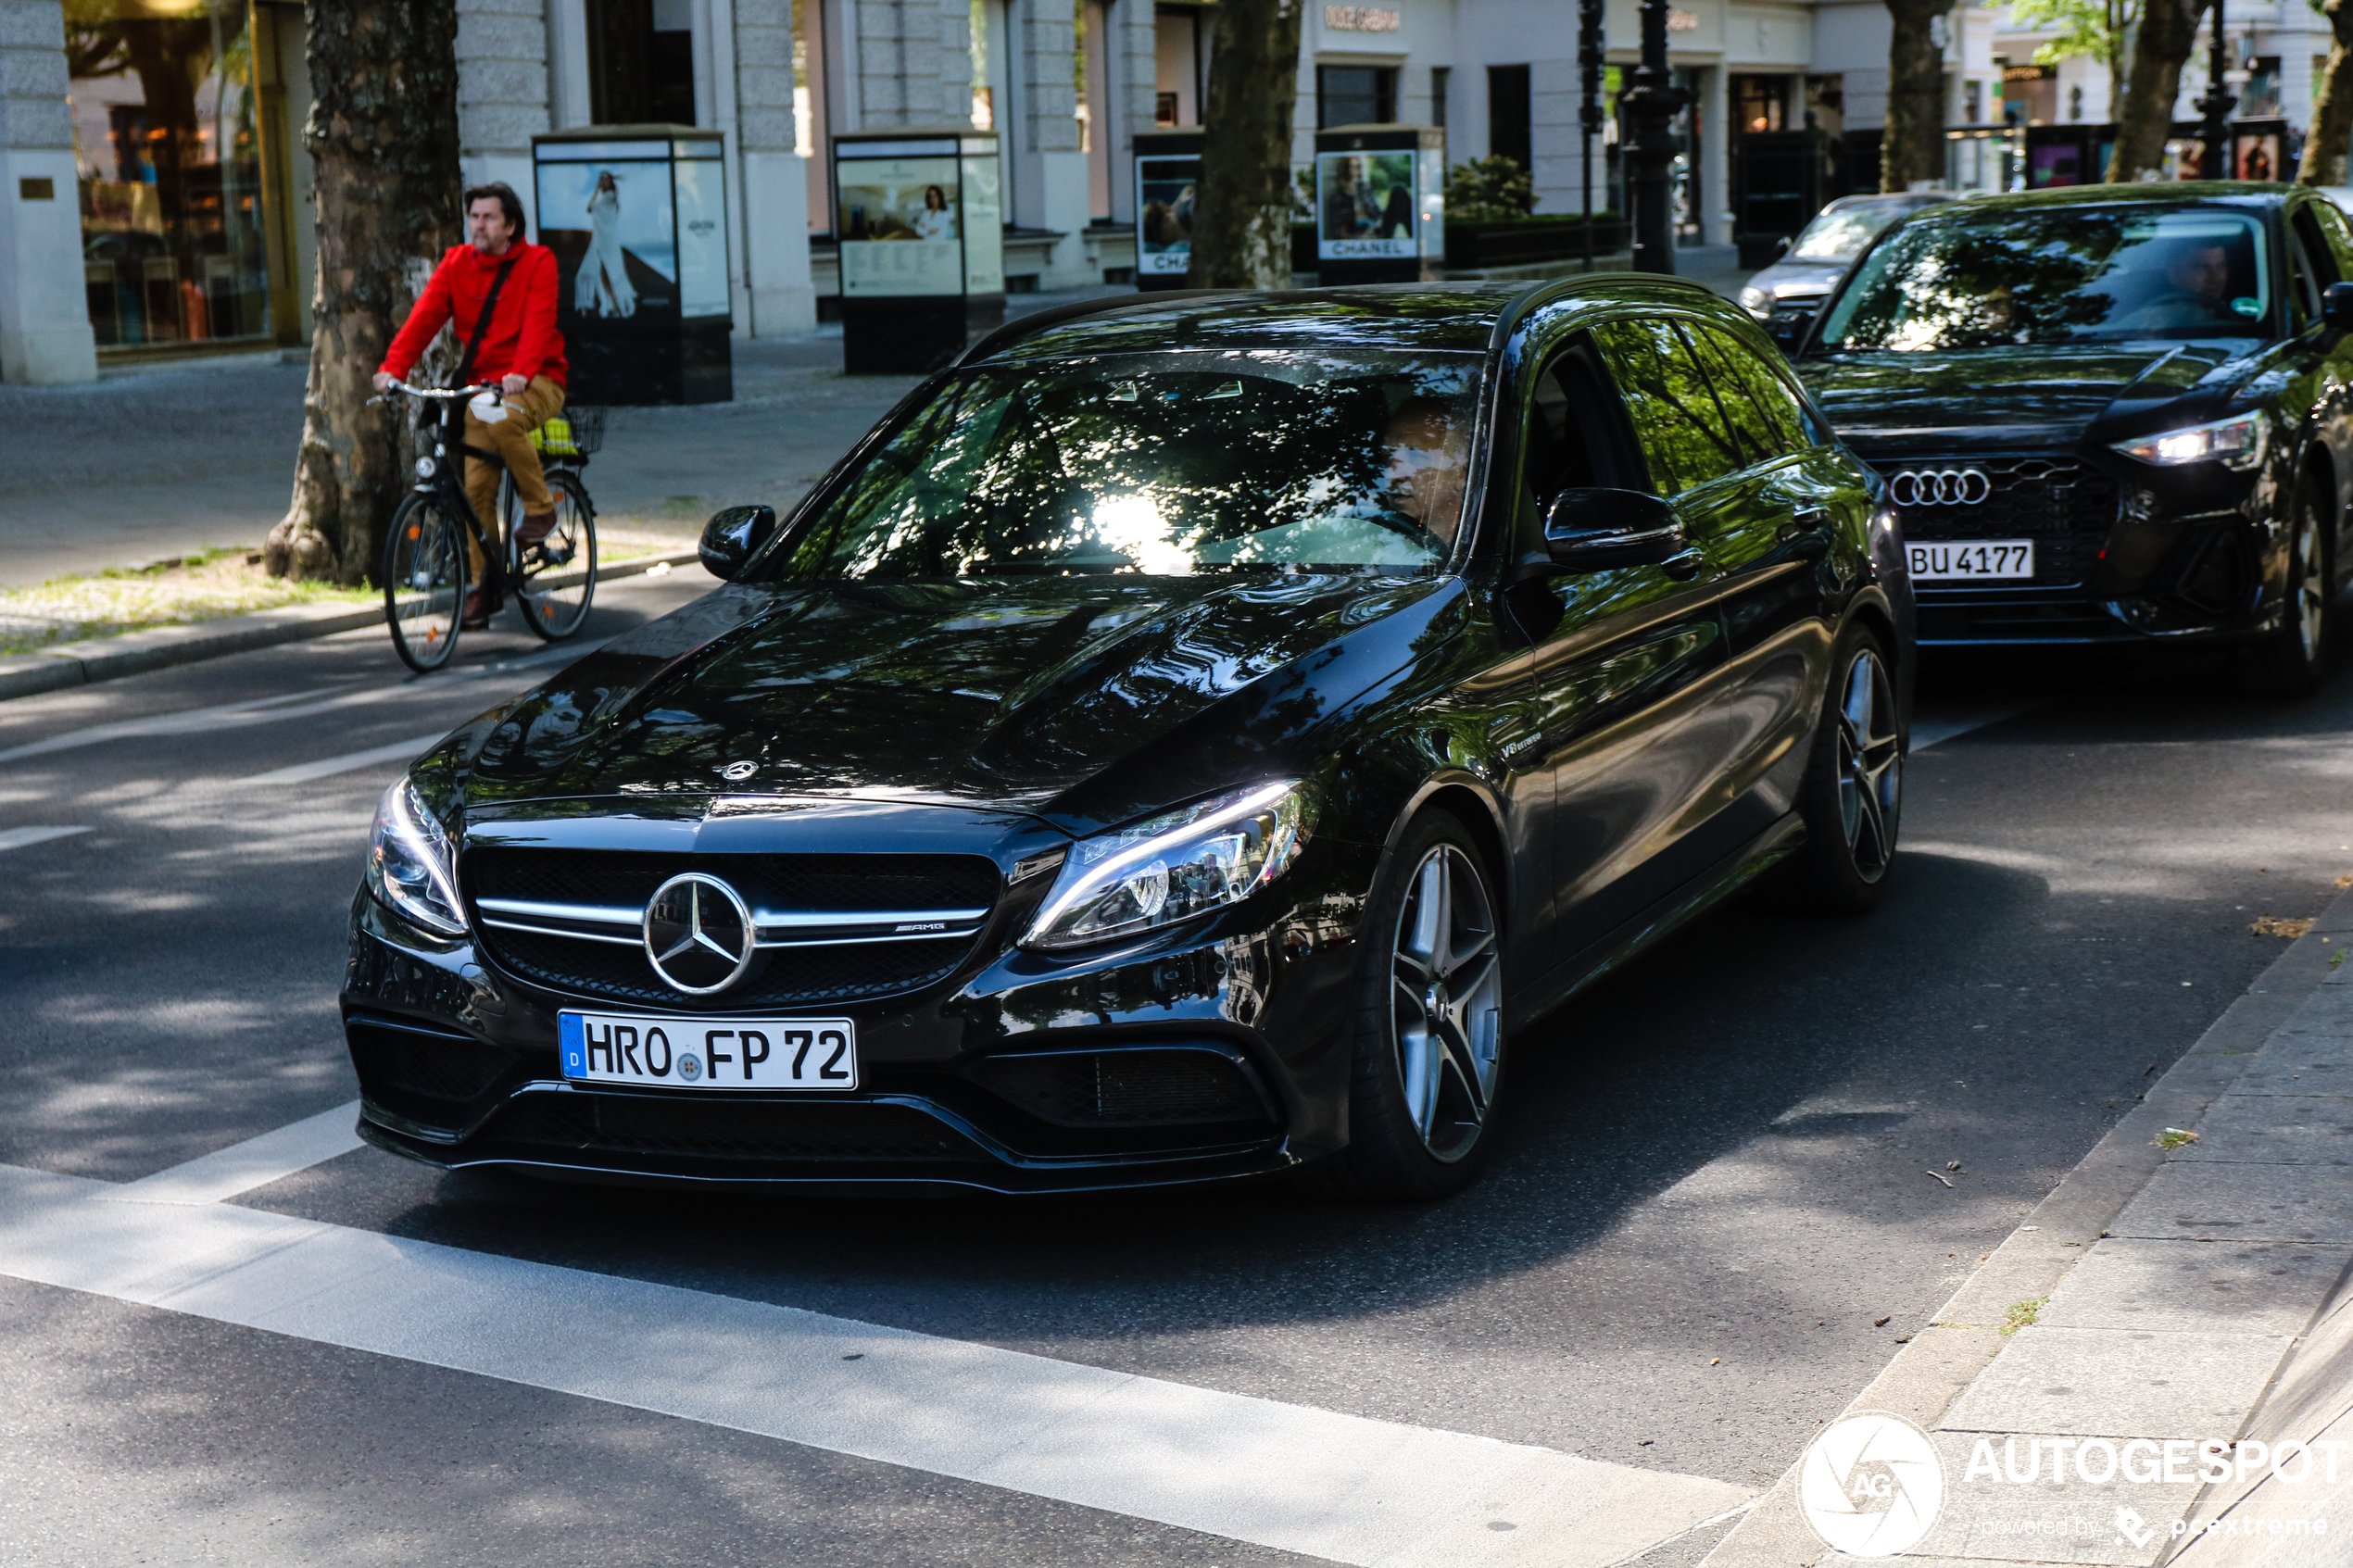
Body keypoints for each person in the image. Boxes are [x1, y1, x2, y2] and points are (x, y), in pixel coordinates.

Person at [375, 182, 570, 628]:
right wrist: (393, 369)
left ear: (510, 226)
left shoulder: (538, 262)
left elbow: (539, 325)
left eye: (488, 218)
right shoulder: (456, 264)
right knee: (475, 491)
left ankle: (540, 509)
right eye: (474, 217)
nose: (478, 225)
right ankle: (486, 586)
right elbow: (422, 320)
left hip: (537, 378)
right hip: (482, 390)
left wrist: (519, 372)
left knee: (499, 418)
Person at [1382, 398, 1470, 546]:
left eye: (1416, 455)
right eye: (1388, 455)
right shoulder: (1367, 554)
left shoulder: (1487, 554)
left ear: (1461, 474)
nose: (1391, 475)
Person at [2118, 237, 2237, 332]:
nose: (2215, 278)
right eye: (2201, 268)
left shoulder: (2245, 321)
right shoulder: (2146, 323)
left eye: (2221, 267)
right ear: (2173, 273)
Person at [579, 170, 637, 318]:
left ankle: (619, 306)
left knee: (610, 273)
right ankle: (613, 306)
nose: (602, 181)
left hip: (608, 242)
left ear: (610, 182)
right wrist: (596, 190)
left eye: (605, 179)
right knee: (602, 275)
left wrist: (597, 191)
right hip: (601, 242)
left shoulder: (611, 199)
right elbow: (590, 208)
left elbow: (594, 209)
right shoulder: (602, 199)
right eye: (600, 179)